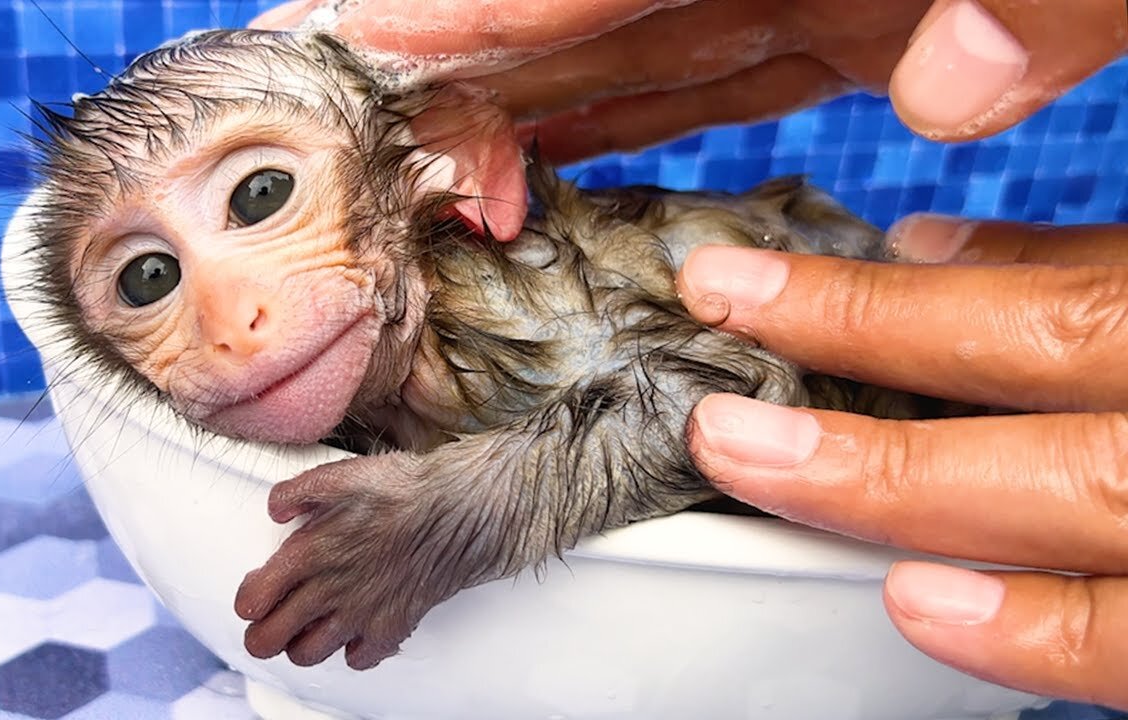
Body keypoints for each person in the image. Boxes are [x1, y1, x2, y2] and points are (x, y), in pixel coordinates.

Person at [253, 0, 1128, 709]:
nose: (237, 321)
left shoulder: (512, 300)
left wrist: (444, 521)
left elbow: (699, 397)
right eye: (145, 279)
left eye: (261, 195)